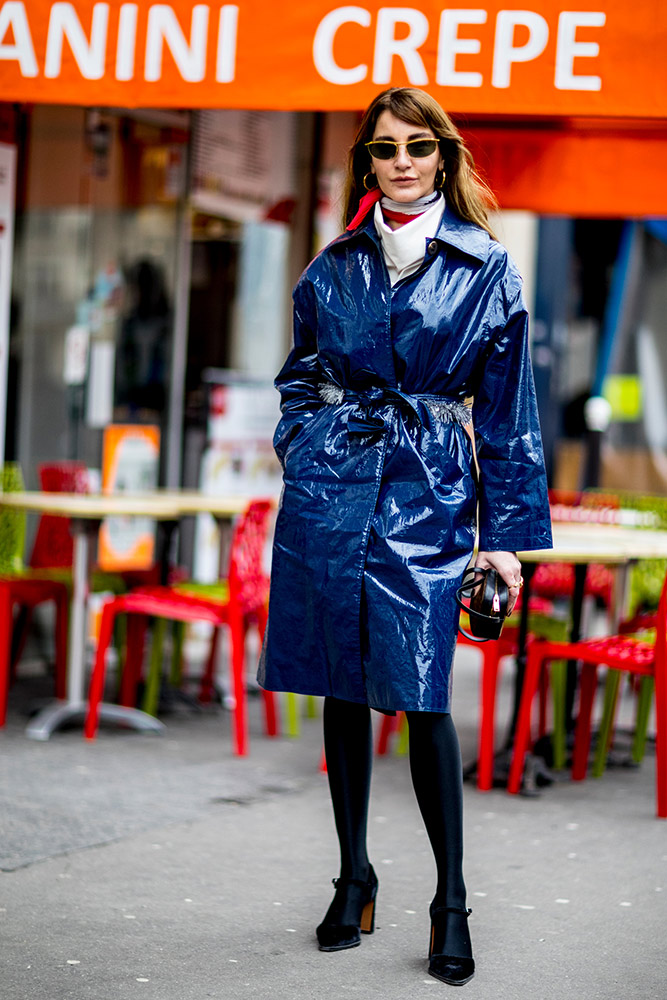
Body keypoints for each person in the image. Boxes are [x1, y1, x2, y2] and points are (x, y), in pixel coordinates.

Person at [258, 87, 552, 986]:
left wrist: (501, 543)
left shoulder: (484, 267)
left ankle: (450, 897)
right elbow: (299, 378)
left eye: (418, 146)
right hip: (330, 493)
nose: (401, 161)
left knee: (423, 696)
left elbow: (509, 416)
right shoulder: (331, 266)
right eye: (384, 149)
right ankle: (352, 875)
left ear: (443, 156)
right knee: (342, 689)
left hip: (427, 494)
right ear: (367, 164)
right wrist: (305, 446)